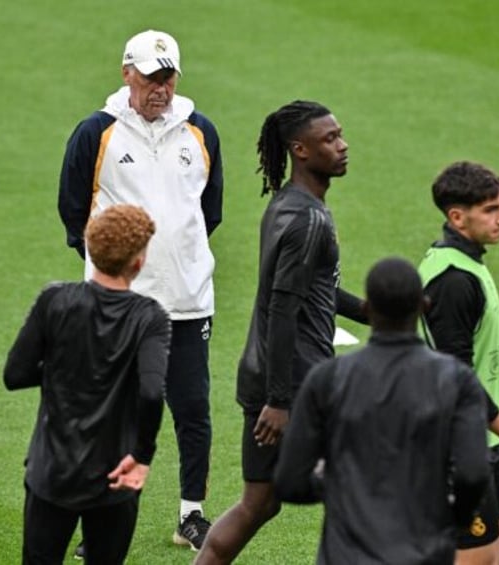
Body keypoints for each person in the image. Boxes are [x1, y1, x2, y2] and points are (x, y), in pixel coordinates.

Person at [57, 29, 223, 552]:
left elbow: (209, 212)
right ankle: (99, 522)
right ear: (127, 72)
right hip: (117, 305)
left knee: (193, 408)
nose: (161, 88)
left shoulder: (201, 132)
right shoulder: (96, 133)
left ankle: (191, 515)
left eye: (168, 76)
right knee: (111, 413)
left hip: (188, 301)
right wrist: (107, 272)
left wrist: (181, 259)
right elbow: (72, 210)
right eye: (152, 77)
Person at [196, 100, 367, 564]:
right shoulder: (308, 220)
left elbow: (310, 289)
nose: (342, 145)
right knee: (364, 491)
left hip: (269, 378)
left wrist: (374, 312)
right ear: (301, 150)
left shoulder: (287, 206)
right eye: (329, 139)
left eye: (340, 134)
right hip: (300, 385)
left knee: (259, 503)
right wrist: (279, 399)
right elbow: (282, 308)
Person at [273, 257, 490, 564]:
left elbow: (290, 482)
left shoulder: (325, 380)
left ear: (365, 310)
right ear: (424, 306)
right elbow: (473, 473)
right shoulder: (458, 380)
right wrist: (455, 518)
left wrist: (336, 484)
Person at [4, 204, 171, 564]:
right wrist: (142, 457)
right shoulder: (149, 317)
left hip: (51, 472)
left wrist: (62, 369)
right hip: (115, 478)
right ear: (138, 261)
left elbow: (14, 375)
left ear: (91, 250)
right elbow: (151, 392)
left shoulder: (54, 300)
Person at [418, 161, 499, 564]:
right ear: (457, 217)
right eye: (491, 210)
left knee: (498, 548)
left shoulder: (468, 263)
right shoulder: (454, 282)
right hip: (455, 443)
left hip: (478, 435)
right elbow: (455, 374)